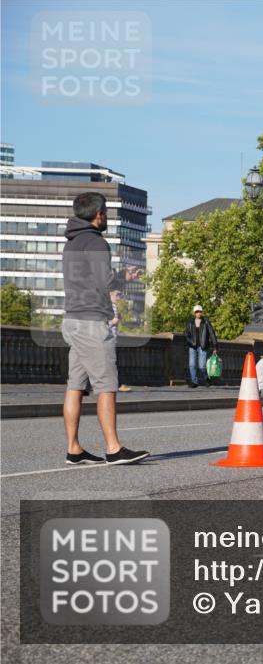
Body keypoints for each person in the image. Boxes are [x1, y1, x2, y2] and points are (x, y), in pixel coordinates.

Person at [61, 192, 148, 465]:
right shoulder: (96, 243)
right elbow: (104, 281)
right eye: (106, 212)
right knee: (106, 385)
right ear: (98, 214)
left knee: (75, 385)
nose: (107, 216)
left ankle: (74, 449)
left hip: (72, 320)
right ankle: (113, 449)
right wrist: (124, 276)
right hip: (92, 323)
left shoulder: (72, 243)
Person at [184, 305, 218, 388]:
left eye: (200, 312)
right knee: (192, 365)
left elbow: (212, 334)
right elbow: (186, 334)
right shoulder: (191, 322)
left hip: (203, 346)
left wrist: (215, 347)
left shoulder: (206, 322)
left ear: (201, 312)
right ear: (194, 313)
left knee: (202, 366)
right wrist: (191, 342)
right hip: (192, 347)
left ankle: (207, 378)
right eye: (197, 312)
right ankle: (194, 382)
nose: (198, 313)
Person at [108, 290, 131, 392]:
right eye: (117, 295)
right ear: (110, 295)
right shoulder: (107, 307)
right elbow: (100, 323)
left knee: (114, 362)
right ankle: (118, 385)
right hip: (107, 340)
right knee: (113, 363)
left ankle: (117, 384)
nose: (118, 298)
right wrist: (112, 322)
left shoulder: (114, 306)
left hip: (113, 339)